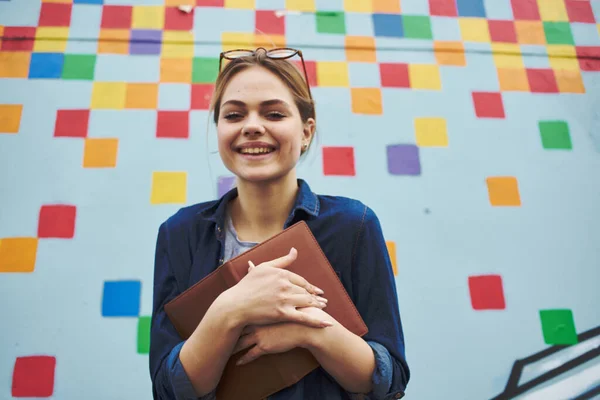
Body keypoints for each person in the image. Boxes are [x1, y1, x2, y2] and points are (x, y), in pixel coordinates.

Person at [149, 47, 410, 400]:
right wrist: (230, 310)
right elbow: (167, 391)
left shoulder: (353, 226)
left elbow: (388, 379)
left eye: (273, 113)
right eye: (233, 115)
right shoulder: (179, 233)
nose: (252, 127)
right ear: (219, 130)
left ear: (305, 131)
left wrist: (310, 332)